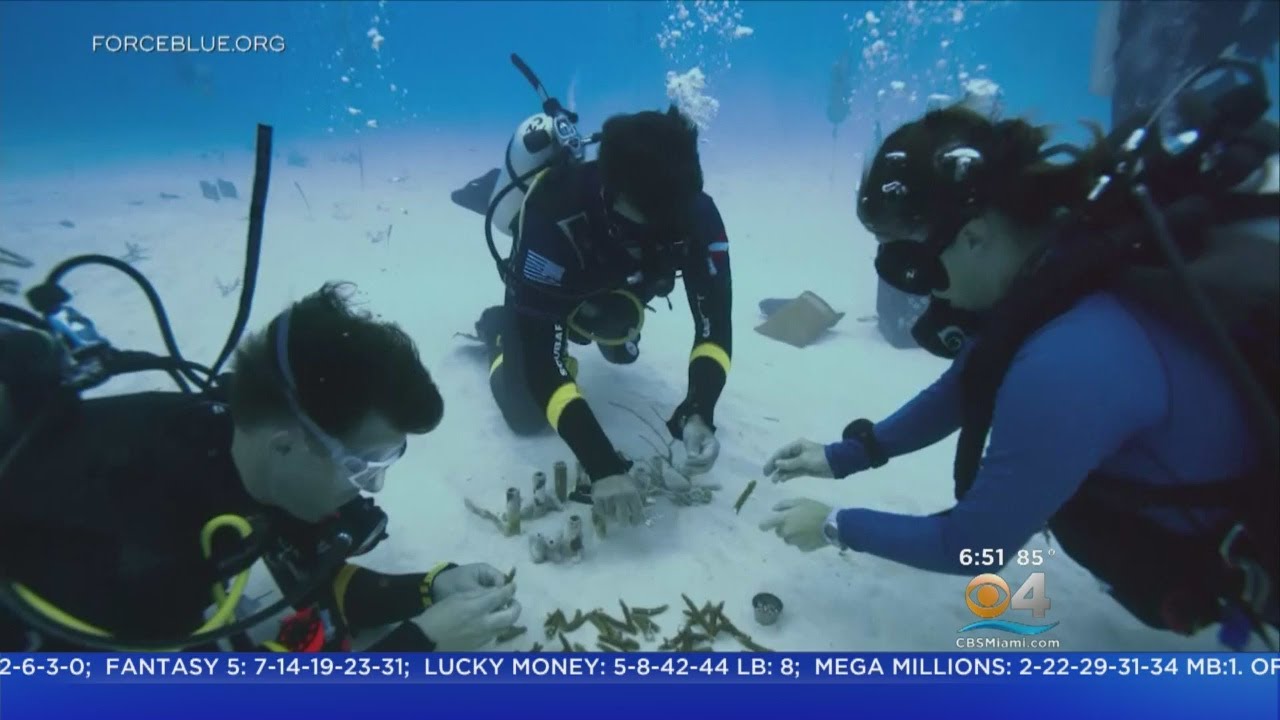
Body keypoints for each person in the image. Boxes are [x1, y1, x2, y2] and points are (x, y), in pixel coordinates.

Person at [759, 101, 1279, 645]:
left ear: (976, 237)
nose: (919, 290)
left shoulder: (1067, 362)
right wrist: (844, 456)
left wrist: (834, 524)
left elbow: (973, 547)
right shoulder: (1069, 264)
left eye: (912, 266)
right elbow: (969, 380)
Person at [0, 282, 522, 652]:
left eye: (386, 461)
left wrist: (431, 588)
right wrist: (420, 645)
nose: (376, 485)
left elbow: (310, 580)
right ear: (284, 446)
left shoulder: (227, 440)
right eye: (362, 466)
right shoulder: (137, 565)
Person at [473, 105, 733, 525]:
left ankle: (606, 325)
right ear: (614, 194)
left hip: (615, 285)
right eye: (657, 220)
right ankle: (499, 333)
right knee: (525, 412)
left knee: (621, 338)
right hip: (556, 285)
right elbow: (544, 365)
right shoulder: (551, 214)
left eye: (679, 214)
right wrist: (603, 465)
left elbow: (715, 324)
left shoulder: (696, 212)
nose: (672, 230)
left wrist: (700, 408)